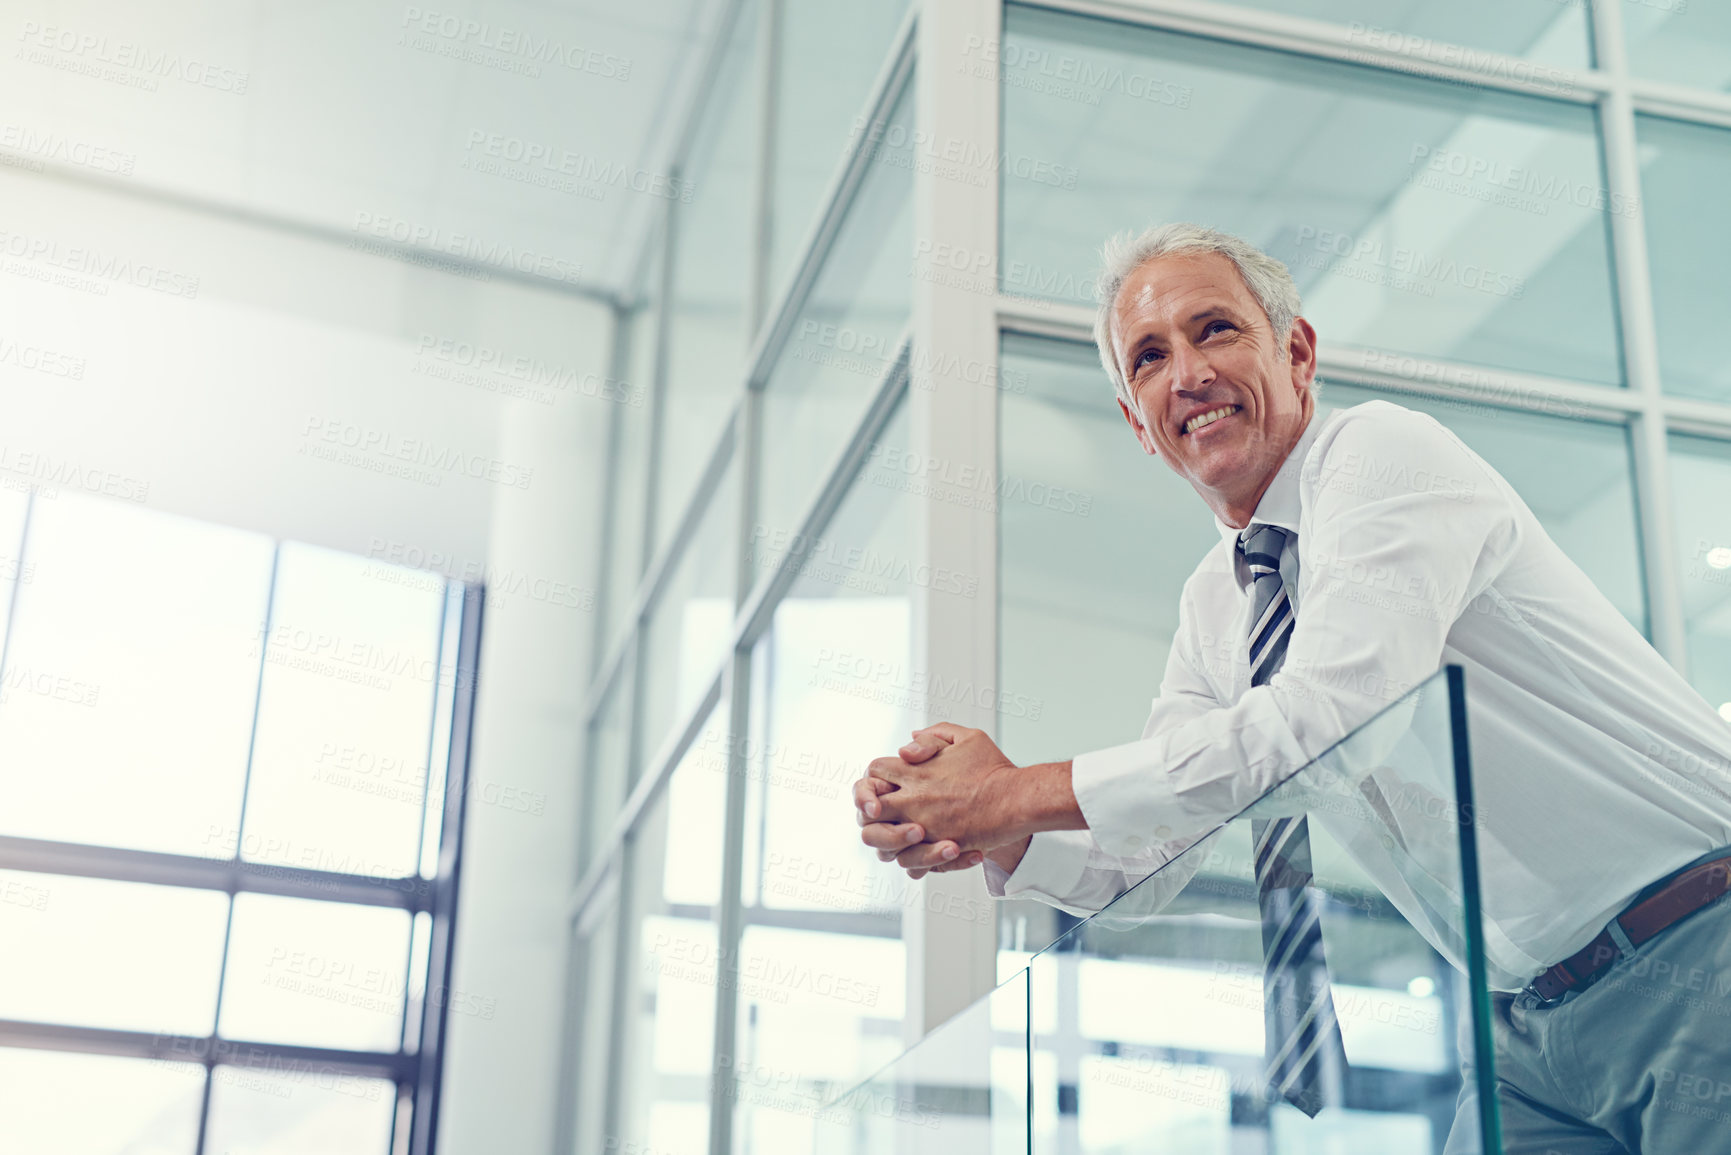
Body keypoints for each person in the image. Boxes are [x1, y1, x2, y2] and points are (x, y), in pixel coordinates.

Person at [851, 223, 1731, 1153]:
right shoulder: (1216, 603)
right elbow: (1147, 857)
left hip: (1692, 944)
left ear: (1296, 352)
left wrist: (1011, 790)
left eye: (1215, 330)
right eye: (1149, 356)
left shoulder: (1383, 454)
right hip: (1519, 1025)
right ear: (1135, 422)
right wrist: (998, 828)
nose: (1186, 372)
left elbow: (1327, 726)